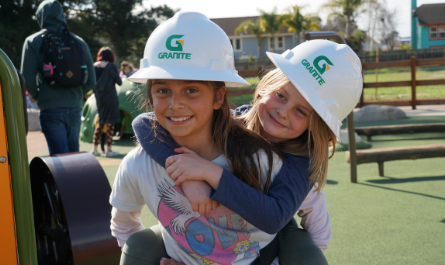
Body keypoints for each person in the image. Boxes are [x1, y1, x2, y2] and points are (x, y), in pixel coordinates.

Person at [131, 39, 363, 265]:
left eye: (301, 111)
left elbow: (280, 220)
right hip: (216, 231)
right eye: (281, 95)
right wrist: (185, 174)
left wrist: (210, 173)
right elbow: (144, 122)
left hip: (266, 243)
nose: (283, 112)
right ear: (265, 87)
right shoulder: (234, 121)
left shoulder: (300, 162)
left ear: (317, 125)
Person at [110, 11, 292, 265]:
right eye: (163, 90)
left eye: (191, 90)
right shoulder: (137, 165)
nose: (175, 104)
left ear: (219, 97)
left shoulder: (260, 158)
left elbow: (309, 213)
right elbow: (124, 226)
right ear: (150, 96)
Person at [20, 0, 96, 155]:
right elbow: (92, 80)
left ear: (41, 16)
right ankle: (76, 180)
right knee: (74, 155)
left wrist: (35, 95)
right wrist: (78, 95)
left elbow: (27, 80)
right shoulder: (79, 42)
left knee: (59, 158)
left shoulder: (33, 41)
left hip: (50, 106)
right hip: (75, 105)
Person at [91, 47, 122, 157]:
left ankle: (94, 149)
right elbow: (119, 82)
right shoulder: (111, 66)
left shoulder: (94, 66)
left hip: (99, 98)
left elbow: (91, 83)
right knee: (110, 123)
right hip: (111, 97)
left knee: (100, 121)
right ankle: (109, 150)